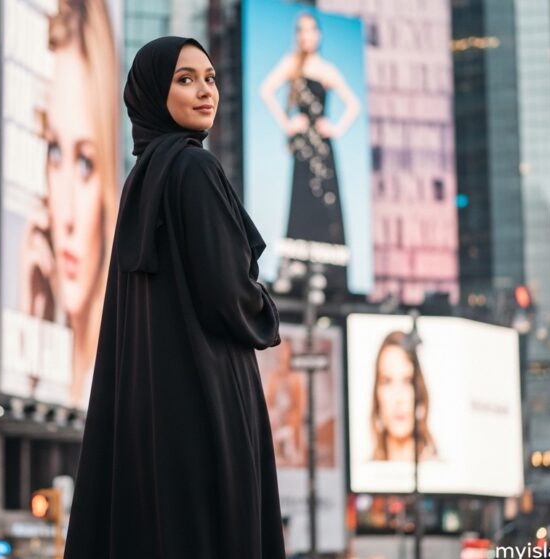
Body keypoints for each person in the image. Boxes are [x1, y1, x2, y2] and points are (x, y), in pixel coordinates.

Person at [64, 37, 286, 558]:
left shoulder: (143, 179)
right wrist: (266, 311)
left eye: (210, 78)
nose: (204, 90)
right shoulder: (194, 169)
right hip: (210, 398)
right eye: (184, 80)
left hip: (157, 412)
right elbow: (228, 295)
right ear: (151, 94)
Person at [19, 0, 119, 409]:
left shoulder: (126, 356)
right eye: (55, 154)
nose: (70, 216)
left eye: (85, 162)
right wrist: (29, 324)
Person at [259, 12, 361, 290]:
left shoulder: (326, 69)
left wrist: (336, 128)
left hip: (323, 148)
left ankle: (327, 272)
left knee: (326, 201)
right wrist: (288, 123)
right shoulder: (291, 64)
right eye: (301, 31)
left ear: (318, 35)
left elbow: (353, 104)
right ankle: (297, 267)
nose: (307, 36)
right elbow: (266, 90)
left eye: (311, 30)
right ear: (297, 35)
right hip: (303, 147)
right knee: (302, 198)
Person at [369, 331, 437, 462]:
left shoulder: (445, 473)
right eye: (387, 381)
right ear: (376, 395)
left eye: (407, 381)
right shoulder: (363, 473)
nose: (398, 398)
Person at [264, 338, 307, 467]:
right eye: (281, 352)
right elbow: (269, 402)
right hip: (277, 421)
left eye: (285, 351)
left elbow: (299, 407)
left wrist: (289, 421)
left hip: (290, 425)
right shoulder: (273, 377)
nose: (282, 355)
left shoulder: (295, 378)